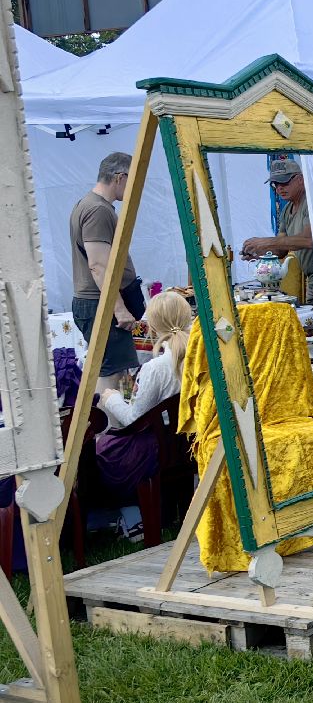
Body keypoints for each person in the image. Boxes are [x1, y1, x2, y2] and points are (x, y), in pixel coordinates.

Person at [93, 291, 194, 541]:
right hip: (190, 441)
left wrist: (110, 398)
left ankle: (131, 518)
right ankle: (164, 513)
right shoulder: (200, 356)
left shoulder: (156, 367)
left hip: (162, 447)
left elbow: (133, 419)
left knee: (104, 450)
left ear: (153, 325)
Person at [70, 151, 144, 394]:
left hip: (100, 302)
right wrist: (119, 309)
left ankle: (122, 423)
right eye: (132, 180)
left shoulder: (90, 205)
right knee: (111, 373)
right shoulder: (97, 210)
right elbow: (98, 265)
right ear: (119, 177)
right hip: (100, 304)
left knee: (120, 368)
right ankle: (111, 429)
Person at [241, 159, 313, 309]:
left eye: (284, 183)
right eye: (275, 184)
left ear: (300, 179)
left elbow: (309, 240)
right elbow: (281, 249)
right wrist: (260, 254)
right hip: (312, 281)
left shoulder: (311, 202)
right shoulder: (286, 210)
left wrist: (266, 242)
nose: (279, 188)